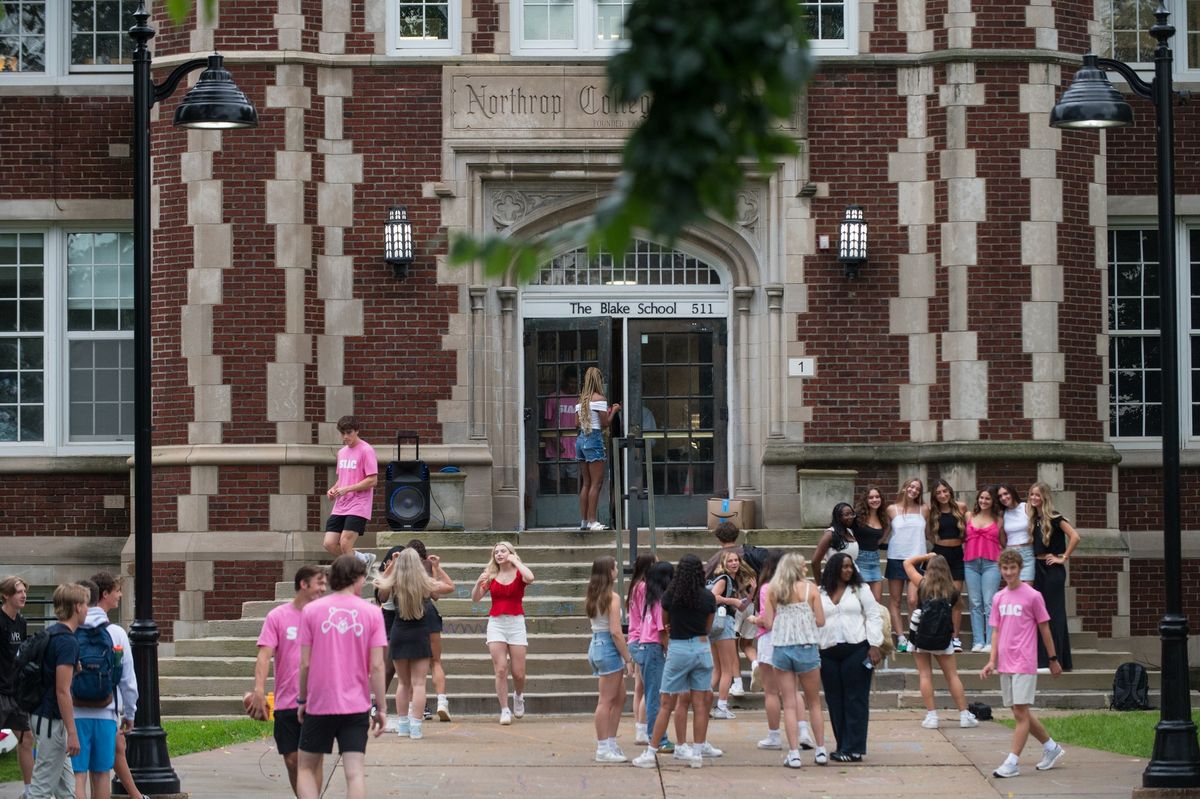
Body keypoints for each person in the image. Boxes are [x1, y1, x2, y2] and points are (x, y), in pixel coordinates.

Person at [295, 555, 388, 799]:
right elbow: (377, 666)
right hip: (355, 705)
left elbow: (304, 663)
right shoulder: (372, 613)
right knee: (355, 773)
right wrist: (381, 707)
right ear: (358, 578)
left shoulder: (311, 611)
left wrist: (302, 700)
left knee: (305, 768)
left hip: (320, 703)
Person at [981, 548, 1065, 778]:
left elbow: (1045, 628)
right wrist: (991, 660)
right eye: (1005, 568)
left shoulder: (1033, 595)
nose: (1009, 572)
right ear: (1000, 570)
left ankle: (1012, 762)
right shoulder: (999, 597)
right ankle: (1051, 748)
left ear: (1020, 568)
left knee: (1020, 712)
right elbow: (996, 632)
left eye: (1013, 568)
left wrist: (1053, 658)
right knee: (1020, 711)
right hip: (1005, 663)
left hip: (1025, 660)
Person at [632, 554, 721, 769]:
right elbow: (708, 627)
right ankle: (697, 753)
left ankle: (652, 752)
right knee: (700, 704)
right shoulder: (708, 598)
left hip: (678, 647)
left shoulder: (670, 595)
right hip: (701, 647)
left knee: (666, 703)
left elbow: (665, 624)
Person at [253, 565, 328, 796]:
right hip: (286, 701)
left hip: (318, 702)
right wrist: (258, 690)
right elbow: (264, 655)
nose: (323, 589)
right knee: (292, 760)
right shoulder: (277, 617)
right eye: (319, 583)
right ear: (303, 585)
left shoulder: (324, 617)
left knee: (313, 760)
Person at [72, 574, 138, 799]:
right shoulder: (116, 632)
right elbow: (128, 681)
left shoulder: (71, 631)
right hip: (106, 711)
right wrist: (130, 713)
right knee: (101, 773)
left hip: (75, 711)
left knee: (78, 774)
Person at [375, 548, 453, 739]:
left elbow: (378, 587)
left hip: (399, 632)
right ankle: (416, 728)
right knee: (419, 684)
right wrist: (437, 567)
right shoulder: (425, 583)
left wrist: (392, 564)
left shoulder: (394, 582)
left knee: (402, 683)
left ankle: (403, 726)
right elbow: (450, 586)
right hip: (419, 634)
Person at [746, 551, 818, 755]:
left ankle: (774, 735)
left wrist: (753, 620)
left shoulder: (768, 588)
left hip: (770, 640)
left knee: (771, 691)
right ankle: (803, 731)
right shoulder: (799, 587)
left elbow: (766, 621)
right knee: (793, 690)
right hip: (794, 638)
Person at [761, 553, 828, 769]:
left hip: (782, 647)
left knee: (789, 703)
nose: (806, 568)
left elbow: (768, 623)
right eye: (803, 566)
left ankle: (794, 753)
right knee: (814, 702)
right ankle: (820, 750)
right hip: (807, 647)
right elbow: (820, 620)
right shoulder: (811, 589)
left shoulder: (774, 590)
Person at [818, 552, 883, 762]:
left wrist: (874, 644)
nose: (848, 570)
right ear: (833, 568)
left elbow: (873, 615)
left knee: (855, 699)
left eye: (850, 567)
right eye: (844, 567)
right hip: (827, 651)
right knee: (834, 700)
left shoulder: (860, 589)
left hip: (856, 649)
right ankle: (842, 744)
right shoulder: (821, 592)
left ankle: (854, 748)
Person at [902, 554, 978, 730]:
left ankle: (931, 716)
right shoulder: (952, 591)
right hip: (943, 638)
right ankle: (964, 714)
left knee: (925, 675)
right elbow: (959, 607)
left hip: (920, 636)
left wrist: (928, 555)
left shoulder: (921, 584)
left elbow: (907, 563)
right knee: (952, 676)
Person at [28, 583, 87, 799]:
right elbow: (62, 690)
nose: (87, 609)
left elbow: (49, 676)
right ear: (77, 606)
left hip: (40, 715)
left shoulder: (50, 633)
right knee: (41, 789)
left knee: (67, 790)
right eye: (86, 604)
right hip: (52, 721)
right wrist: (72, 733)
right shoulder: (67, 641)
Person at [470, 541, 535, 724]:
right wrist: (478, 582)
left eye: (503, 551)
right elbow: (475, 598)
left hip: (516, 623)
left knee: (518, 672)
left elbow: (530, 577)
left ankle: (519, 696)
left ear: (511, 553)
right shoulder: (491, 575)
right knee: (500, 669)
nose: (499, 554)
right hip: (496, 623)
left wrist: (516, 561)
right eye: (496, 552)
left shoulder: (519, 573)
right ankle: (504, 709)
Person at [585, 556, 635, 762]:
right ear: (609, 572)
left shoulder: (593, 595)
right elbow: (615, 631)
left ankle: (610, 742)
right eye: (615, 567)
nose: (617, 570)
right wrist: (628, 658)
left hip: (597, 643)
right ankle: (603, 748)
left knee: (620, 697)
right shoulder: (612, 597)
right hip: (607, 646)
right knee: (605, 701)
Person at [1028, 482, 1079, 672]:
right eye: (1032, 495)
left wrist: (1063, 558)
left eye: (1038, 495)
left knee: (1053, 614)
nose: (1034, 498)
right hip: (1038, 567)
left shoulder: (1055, 518)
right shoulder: (1035, 519)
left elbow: (1075, 536)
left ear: (1045, 497)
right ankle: (1044, 659)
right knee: (1040, 614)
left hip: (1052, 569)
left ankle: (1055, 660)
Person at [406, 539, 454, 722]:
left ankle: (412, 707)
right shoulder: (427, 567)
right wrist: (436, 567)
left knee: (412, 666)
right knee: (436, 662)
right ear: (425, 555)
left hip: (410, 615)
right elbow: (437, 594)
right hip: (430, 613)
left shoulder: (404, 570)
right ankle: (442, 702)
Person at [323, 415, 378, 571]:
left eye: (349, 432)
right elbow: (343, 478)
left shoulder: (366, 450)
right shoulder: (342, 453)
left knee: (346, 543)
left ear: (357, 431)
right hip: (341, 505)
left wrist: (347, 489)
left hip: (359, 505)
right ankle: (362, 558)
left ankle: (356, 577)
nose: (346, 437)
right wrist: (333, 489)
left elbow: (372, 480)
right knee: (329, 543)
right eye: (343, 433)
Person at [707, 550, 753, 720]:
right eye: (730, 561)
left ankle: (703, 702)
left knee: (717, 669)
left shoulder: (731, 581)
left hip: (716, 624)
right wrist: (731, 601)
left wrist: (750, 595)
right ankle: (722, 706)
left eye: (736, 560)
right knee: (727, 669)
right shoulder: (725, 579)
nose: (734, 563)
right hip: (723, 623)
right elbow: (713, 597)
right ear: (724, 564)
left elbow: (740, 607)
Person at [635, 561, 674, 754]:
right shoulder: (661, 601)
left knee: (652, 694)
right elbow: (662, 631)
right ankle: (658, 738)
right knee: (654, 696)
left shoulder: (649, 600)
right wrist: (669, 649)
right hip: (654, 649)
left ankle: (656, 736)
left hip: (645, 647)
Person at [886, 477, 929, 653]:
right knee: (895, 600)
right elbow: (885, 532)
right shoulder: (891, 509)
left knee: (913, 600)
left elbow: (928, 533)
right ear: (904, 488)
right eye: (911, 486)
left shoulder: (924, 509)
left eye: (918, 489)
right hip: (896, 558)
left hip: (917, 558)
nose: (914, 490)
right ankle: (901, 637)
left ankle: (913, 635)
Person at [575, 366, 621, 531]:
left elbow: (576, 424)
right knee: (597, 483)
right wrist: (614, 411)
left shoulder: (580, 401)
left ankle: (584, 521)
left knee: (586, 483)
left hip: (580, 440)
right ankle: (593, 521)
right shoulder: (599, 399)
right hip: (593, 439)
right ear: (598, 381)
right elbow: (604, 424)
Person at [0, 576, 33, 797]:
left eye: (24, 591)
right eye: (18, 592)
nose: (23, 595)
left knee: (26, 737)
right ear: (6, 596)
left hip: (16, 691)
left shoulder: (21, 622)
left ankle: (29, 791)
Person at [927, 479, 968, 652]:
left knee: (955, 597)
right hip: (939, 555)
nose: (943, 495)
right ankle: (939, 635)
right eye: (938, 493)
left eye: (945, 491)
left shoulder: (961, 507)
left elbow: (967, 531)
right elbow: (929, 534)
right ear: (934, 496)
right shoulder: (931, 512)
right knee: (938, 597)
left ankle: (955, 638)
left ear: (950, 491)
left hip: (958, 554)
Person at [964, 486, 1004, 653]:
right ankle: (978, 641)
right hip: (970, 563)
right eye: (981, 498)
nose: (984, 501)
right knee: (975, 603)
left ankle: (990, 642)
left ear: (993, 501)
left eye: (987, 498)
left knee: (989, 603)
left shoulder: (999, 518)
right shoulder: (969, 516)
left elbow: (1003, 542)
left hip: (991, 564)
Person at [625, 554, 656, 745]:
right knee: (648, 688)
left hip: (634, 637)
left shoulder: (634, 585)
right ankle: (642, 728)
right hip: (642, 638)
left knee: (640, 686)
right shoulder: (644, 587)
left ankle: (639, 726)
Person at [543, 368, 580, 493]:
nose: (573, 386)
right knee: (555, 482)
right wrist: (555, 442)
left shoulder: (580, 400)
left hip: (574, 448)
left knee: (573, 482)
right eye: (571, 383)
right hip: (555, 449)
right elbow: (548, 424)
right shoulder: (553, 398)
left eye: (576, 383)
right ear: (564, 382)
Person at [852, 487, 889, 602]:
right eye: (871, 497)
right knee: (861, 600)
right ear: (865, 500)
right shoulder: (856, 517)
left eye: (877, 497)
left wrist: (878, 544)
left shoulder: (882, 517)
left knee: (876, 600)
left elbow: (884, 534)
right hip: (859, 559)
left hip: (875, 560)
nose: (875, 500)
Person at [812, 502, 860, 584]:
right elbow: (815, 562)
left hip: (853, 577)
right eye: (846, 514)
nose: (850, 517)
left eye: (852, 514)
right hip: (835, 579)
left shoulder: (850, 531)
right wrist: (820, 585)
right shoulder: (830, 534)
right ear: (838, 517)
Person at [997, 484, 1034, 583]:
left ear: (1012, 493)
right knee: (1014, 591)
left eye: (1006, 494)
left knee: (1027, 591)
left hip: (1027, 553)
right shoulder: (1003, 513)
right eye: (1000, 496)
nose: (1003, 498)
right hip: (1011, 554)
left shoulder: (1026, 507)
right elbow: (1003, 540)